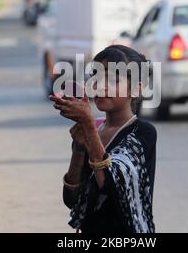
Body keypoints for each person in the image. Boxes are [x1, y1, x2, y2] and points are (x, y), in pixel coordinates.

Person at [50, 45, 157, 233]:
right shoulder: (95, 129)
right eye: (97, 77)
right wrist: (79, 149)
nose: (101, 85)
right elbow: (71, 199)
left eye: (114, 80)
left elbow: (110, 186)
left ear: (136, 88)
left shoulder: (142, 132)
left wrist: (89, 127)